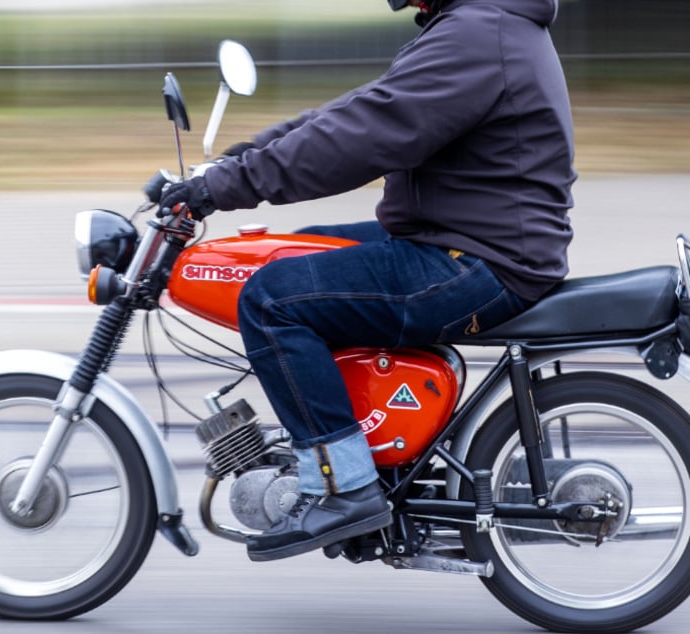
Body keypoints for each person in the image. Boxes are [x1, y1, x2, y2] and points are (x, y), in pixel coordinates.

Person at [156, 0, 576, 562]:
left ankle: (343, 487)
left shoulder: (479, 33)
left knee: (273, 299)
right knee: (299, 248)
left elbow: (363, 136)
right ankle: (378, 445)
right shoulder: (480, 26)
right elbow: (355, 111)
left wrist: (230, 186)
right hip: (469, 237)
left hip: (477, 259)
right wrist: (234, 163)